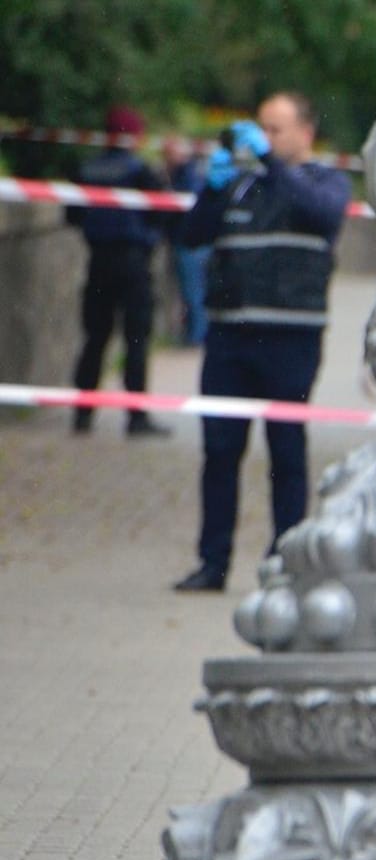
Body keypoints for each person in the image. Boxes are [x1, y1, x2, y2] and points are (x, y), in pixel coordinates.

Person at [172, 92, 351, 593]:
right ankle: (212, 562)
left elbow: (321, 214)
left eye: (276, 130)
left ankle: (286, 559)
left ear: (305, 132)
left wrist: (271, 164)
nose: (265, 139)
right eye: (262, 130)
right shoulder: (240, 186)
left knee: (286, 452)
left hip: (290, 338)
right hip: (230, 336)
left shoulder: (325, 181)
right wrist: (211, 191)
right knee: (220, 452)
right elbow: (191, 236)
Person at [67, 105, 169, 437]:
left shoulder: (87, 170)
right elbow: (163, 213)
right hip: (133, 263)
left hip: (98, 261)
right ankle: (136, 417)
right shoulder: (141, 171)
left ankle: (82, 415)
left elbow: (72, 215)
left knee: (95, 338)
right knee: (136, 339)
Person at [163, 141, 211, 347]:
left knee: (194, 293)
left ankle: (196, 338)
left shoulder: (185, 176)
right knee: (197, 293)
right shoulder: (194, 173)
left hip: (189, 244)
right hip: (194, 242)